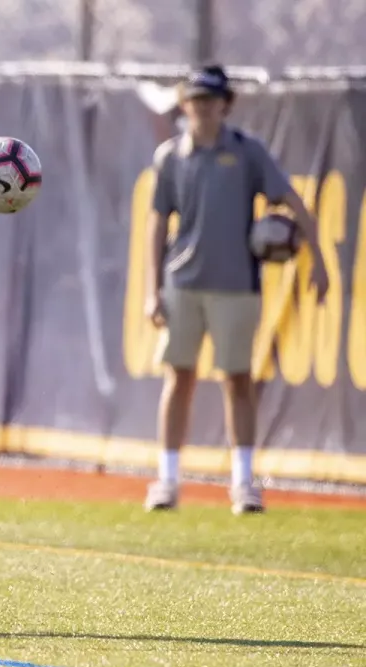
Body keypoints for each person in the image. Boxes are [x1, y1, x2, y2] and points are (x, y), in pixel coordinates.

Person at [143, 64, 329, 515]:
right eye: (195, 99)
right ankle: (167, 480)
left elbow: (291, 200)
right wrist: (153, 288)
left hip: (235, 284)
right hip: (183, 281)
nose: (202, 107)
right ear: (184, 104)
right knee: (179, 377)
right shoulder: (171, 156)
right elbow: (157, 222)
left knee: (237, 380)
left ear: (226, 104)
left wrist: (318, 259)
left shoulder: (246, 153)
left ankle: (244, 482)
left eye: (210, 99)